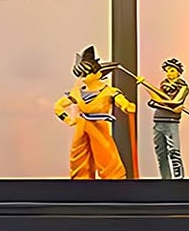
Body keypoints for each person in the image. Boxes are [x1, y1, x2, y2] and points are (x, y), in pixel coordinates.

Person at [54, 46, 131, 181]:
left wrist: (126, 105)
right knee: (78, 155)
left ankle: (114, 181)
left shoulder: (108, 91)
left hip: (99, 125)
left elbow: (120, 100)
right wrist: (69, 120)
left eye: (86, 74)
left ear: (98, 74)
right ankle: (81, 180)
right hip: (82, 125)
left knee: (105, 154)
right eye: (80, 75)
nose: (83, 78)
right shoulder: (77, 93)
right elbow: (58, 107)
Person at [145, 57, 188, 180]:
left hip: (171, 122)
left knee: (174, 152)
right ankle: (165, 179)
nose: (169, 73)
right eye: (167, 70)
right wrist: (148, 87)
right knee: (160, 152)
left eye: (172, 70)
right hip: (158, 120)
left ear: (178, 72)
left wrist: (160, 102)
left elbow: (175, 102)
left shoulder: (183, 87)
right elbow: (155, 101)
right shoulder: (163, 86)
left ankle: (178, 180)